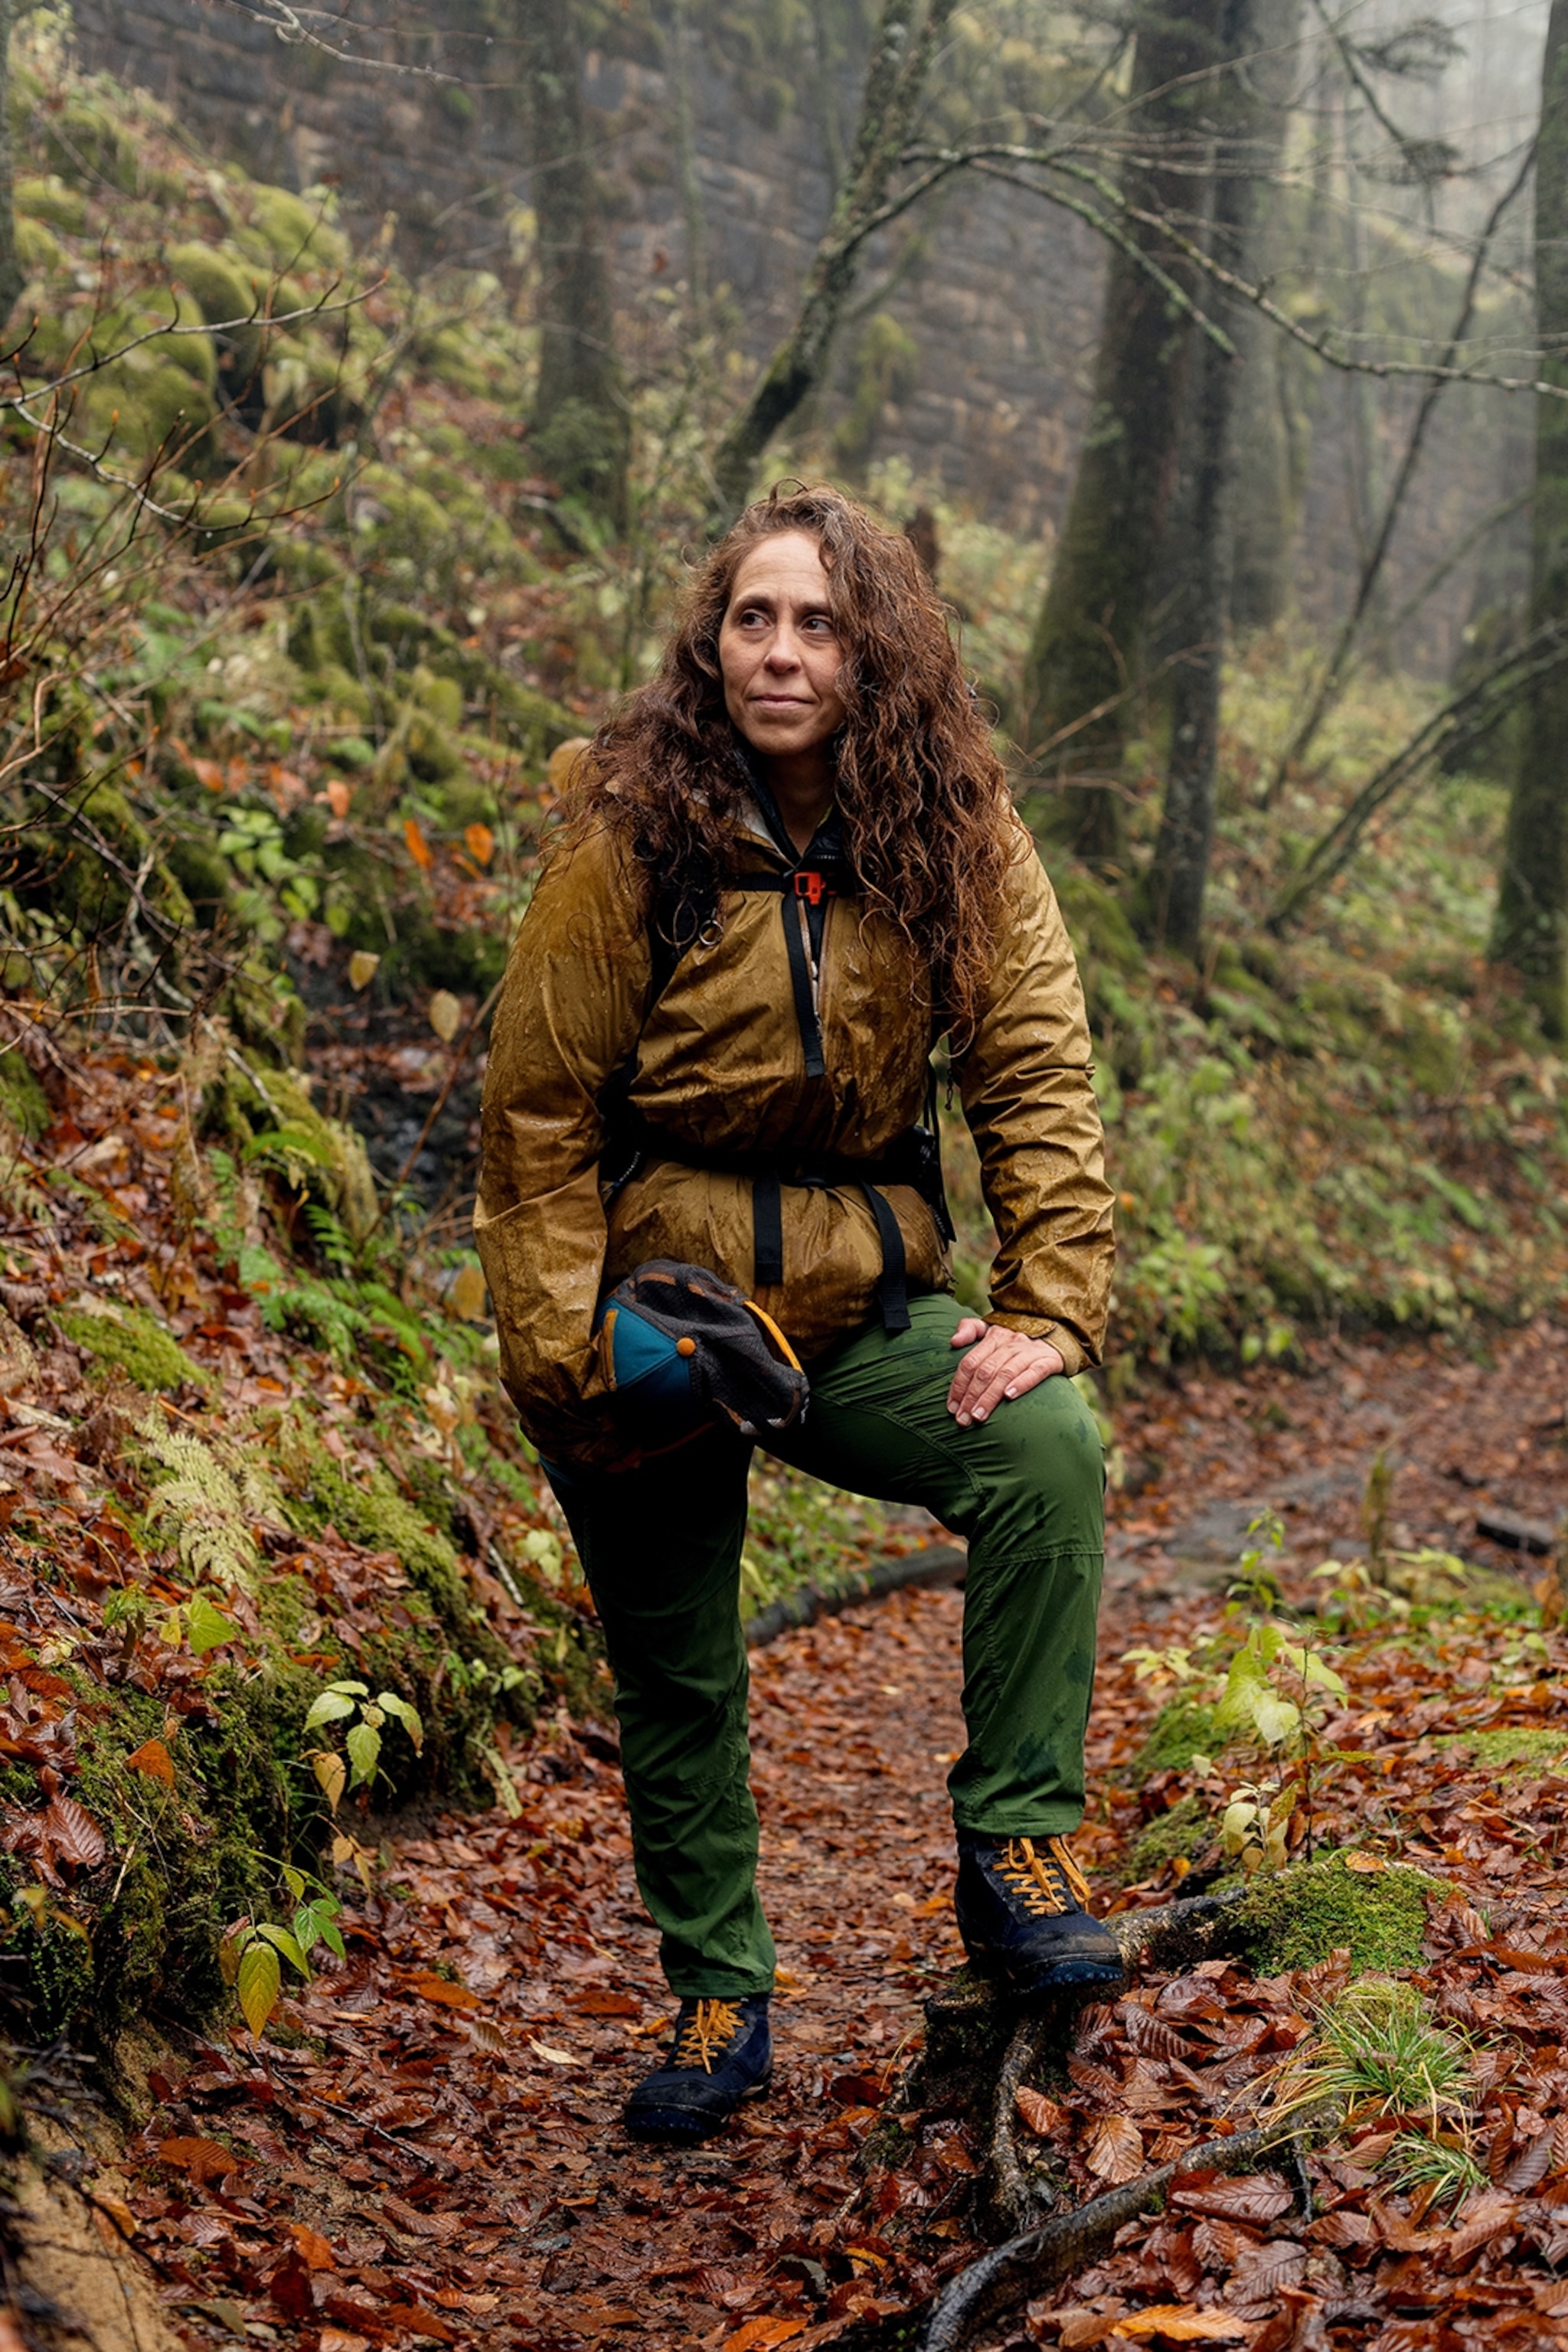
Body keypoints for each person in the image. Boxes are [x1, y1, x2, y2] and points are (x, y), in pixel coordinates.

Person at [476, 483, 1119, 2145]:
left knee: (1045, 1450)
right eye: (753, 619)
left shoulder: (952, 835)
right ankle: (717, 1990)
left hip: (855, 1304)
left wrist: (1050, 1305)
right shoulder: (634, 834)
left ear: (874, 653)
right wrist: (566, 1364)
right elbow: (537, 1113)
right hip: (658, 1317)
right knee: (677, 1661)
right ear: (712, 643)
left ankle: (1018, 1846)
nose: (780, 652)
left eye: (818, 624)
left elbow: (1035, 1070)